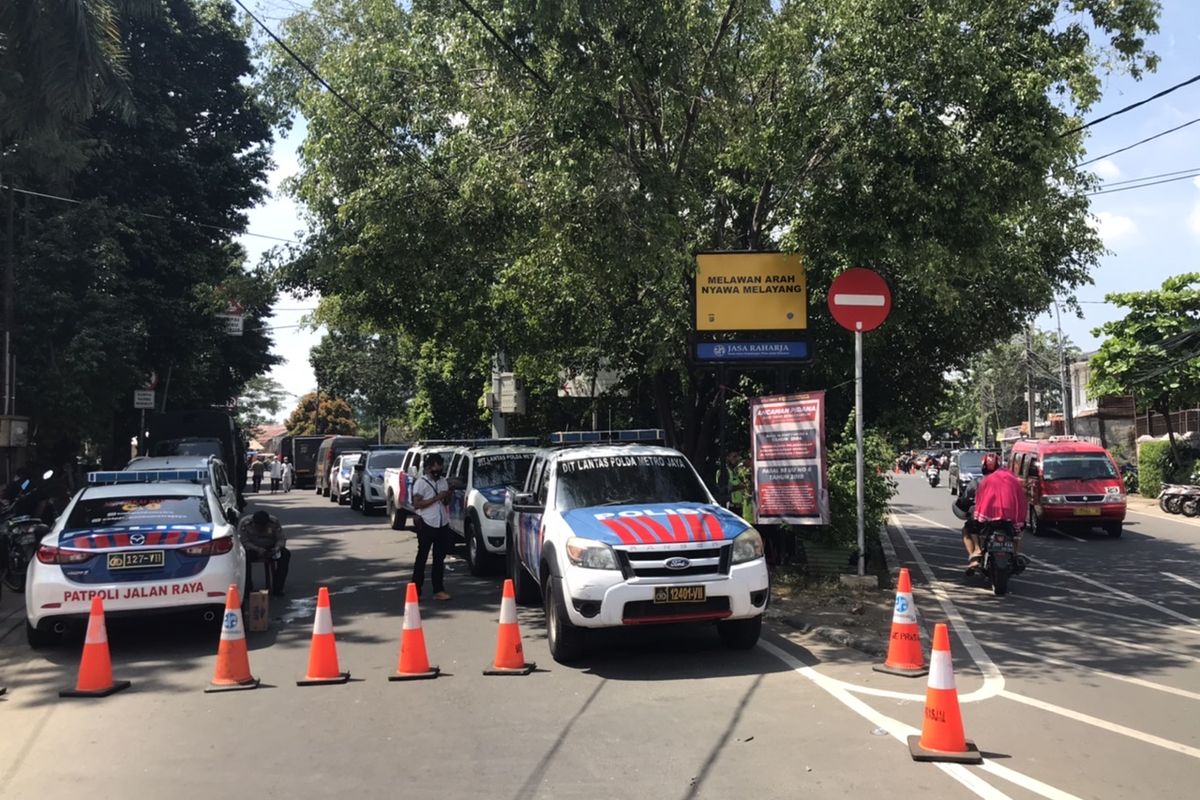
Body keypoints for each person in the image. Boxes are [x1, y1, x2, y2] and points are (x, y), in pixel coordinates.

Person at [961, 452, 1027, 573]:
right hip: (1010, 518)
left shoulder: (980, 481)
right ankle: (1017, 553)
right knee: (1019, 531)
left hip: (988, 518)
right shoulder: (1010, 478)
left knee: (970, 527)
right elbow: (1021, 498)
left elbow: (967, 501)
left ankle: (976, 551)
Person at [411, 453, 452, 601]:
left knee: (439, 559)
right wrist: (436, 498)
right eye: (435, 466)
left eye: (440, 466)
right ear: (428, 468)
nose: (438, 469)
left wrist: (448, 495)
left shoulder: (443, 482)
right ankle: (415, 591)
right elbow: (416, 504)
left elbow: (446, 503)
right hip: (427, 523)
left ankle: (438, 589)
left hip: (442, 523)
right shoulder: (421, 483)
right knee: (422, 557)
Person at [237, 510, 290, 596]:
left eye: (263, 527)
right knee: (244, 557)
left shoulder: (274, 522)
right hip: (252, 548)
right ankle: (247, 586)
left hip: (270, 547)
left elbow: (281, 538)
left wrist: (277, 547)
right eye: (258, 527)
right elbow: (243, 541)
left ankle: (278, 587)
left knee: (285, 554)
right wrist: (257, 549)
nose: (260, 529)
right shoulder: (245, 523)